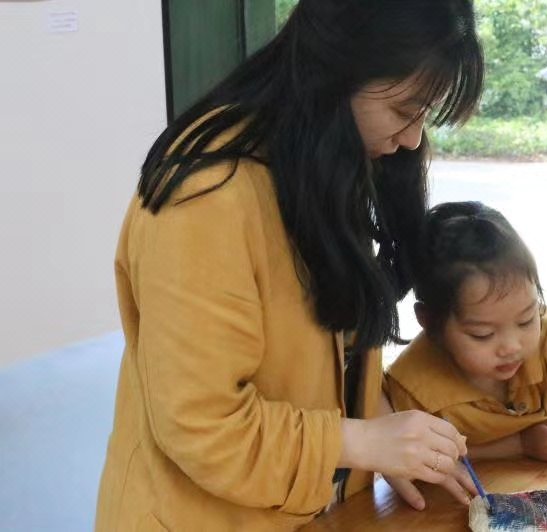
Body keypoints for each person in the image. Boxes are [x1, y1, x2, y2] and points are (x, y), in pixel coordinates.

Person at [95, 1, 484, 530]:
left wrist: (389, 432)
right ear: (337, 72)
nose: (414, 138)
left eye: (424, 114)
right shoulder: (206, 197)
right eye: (403, 111)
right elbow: (203, 424)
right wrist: (362, 442)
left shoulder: (322, 156)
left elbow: (333, 349)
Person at [384, 201, 547, 499]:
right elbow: (411, 454)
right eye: (482, 334)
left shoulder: (546, 334)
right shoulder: (412, 386)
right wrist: (520, 444)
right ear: (429, 323)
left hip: (544, 481)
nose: (512, 347)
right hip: (457, 501)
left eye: (526, 320)